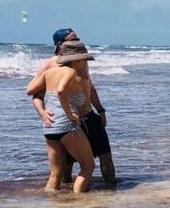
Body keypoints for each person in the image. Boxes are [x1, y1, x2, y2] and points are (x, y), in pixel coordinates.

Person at [28, 29, 116, 186]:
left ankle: (111, 193)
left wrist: (100, 110)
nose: (78, 42)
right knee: (66, 166)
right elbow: (35, 95)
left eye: (77, 39)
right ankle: (68, 202)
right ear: (60, 44)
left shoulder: (82, 61)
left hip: (88, 116)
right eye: (73, 40)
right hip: (66, 121)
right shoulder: (48, 66)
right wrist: (42, 112)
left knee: (105, 156)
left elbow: (89, 87)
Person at [26, 41, 97, 193]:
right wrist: (70, 113)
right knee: (88, 166)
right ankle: (78, 202)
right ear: (77, 59)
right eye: (83, 59)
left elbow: (30, 90)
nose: (85, 62)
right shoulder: (70, 72)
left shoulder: (48, 73)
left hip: (50, 126)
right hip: (67, 126)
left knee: (55, 173)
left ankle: (53, 207)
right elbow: (61, 90)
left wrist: (43, 111)